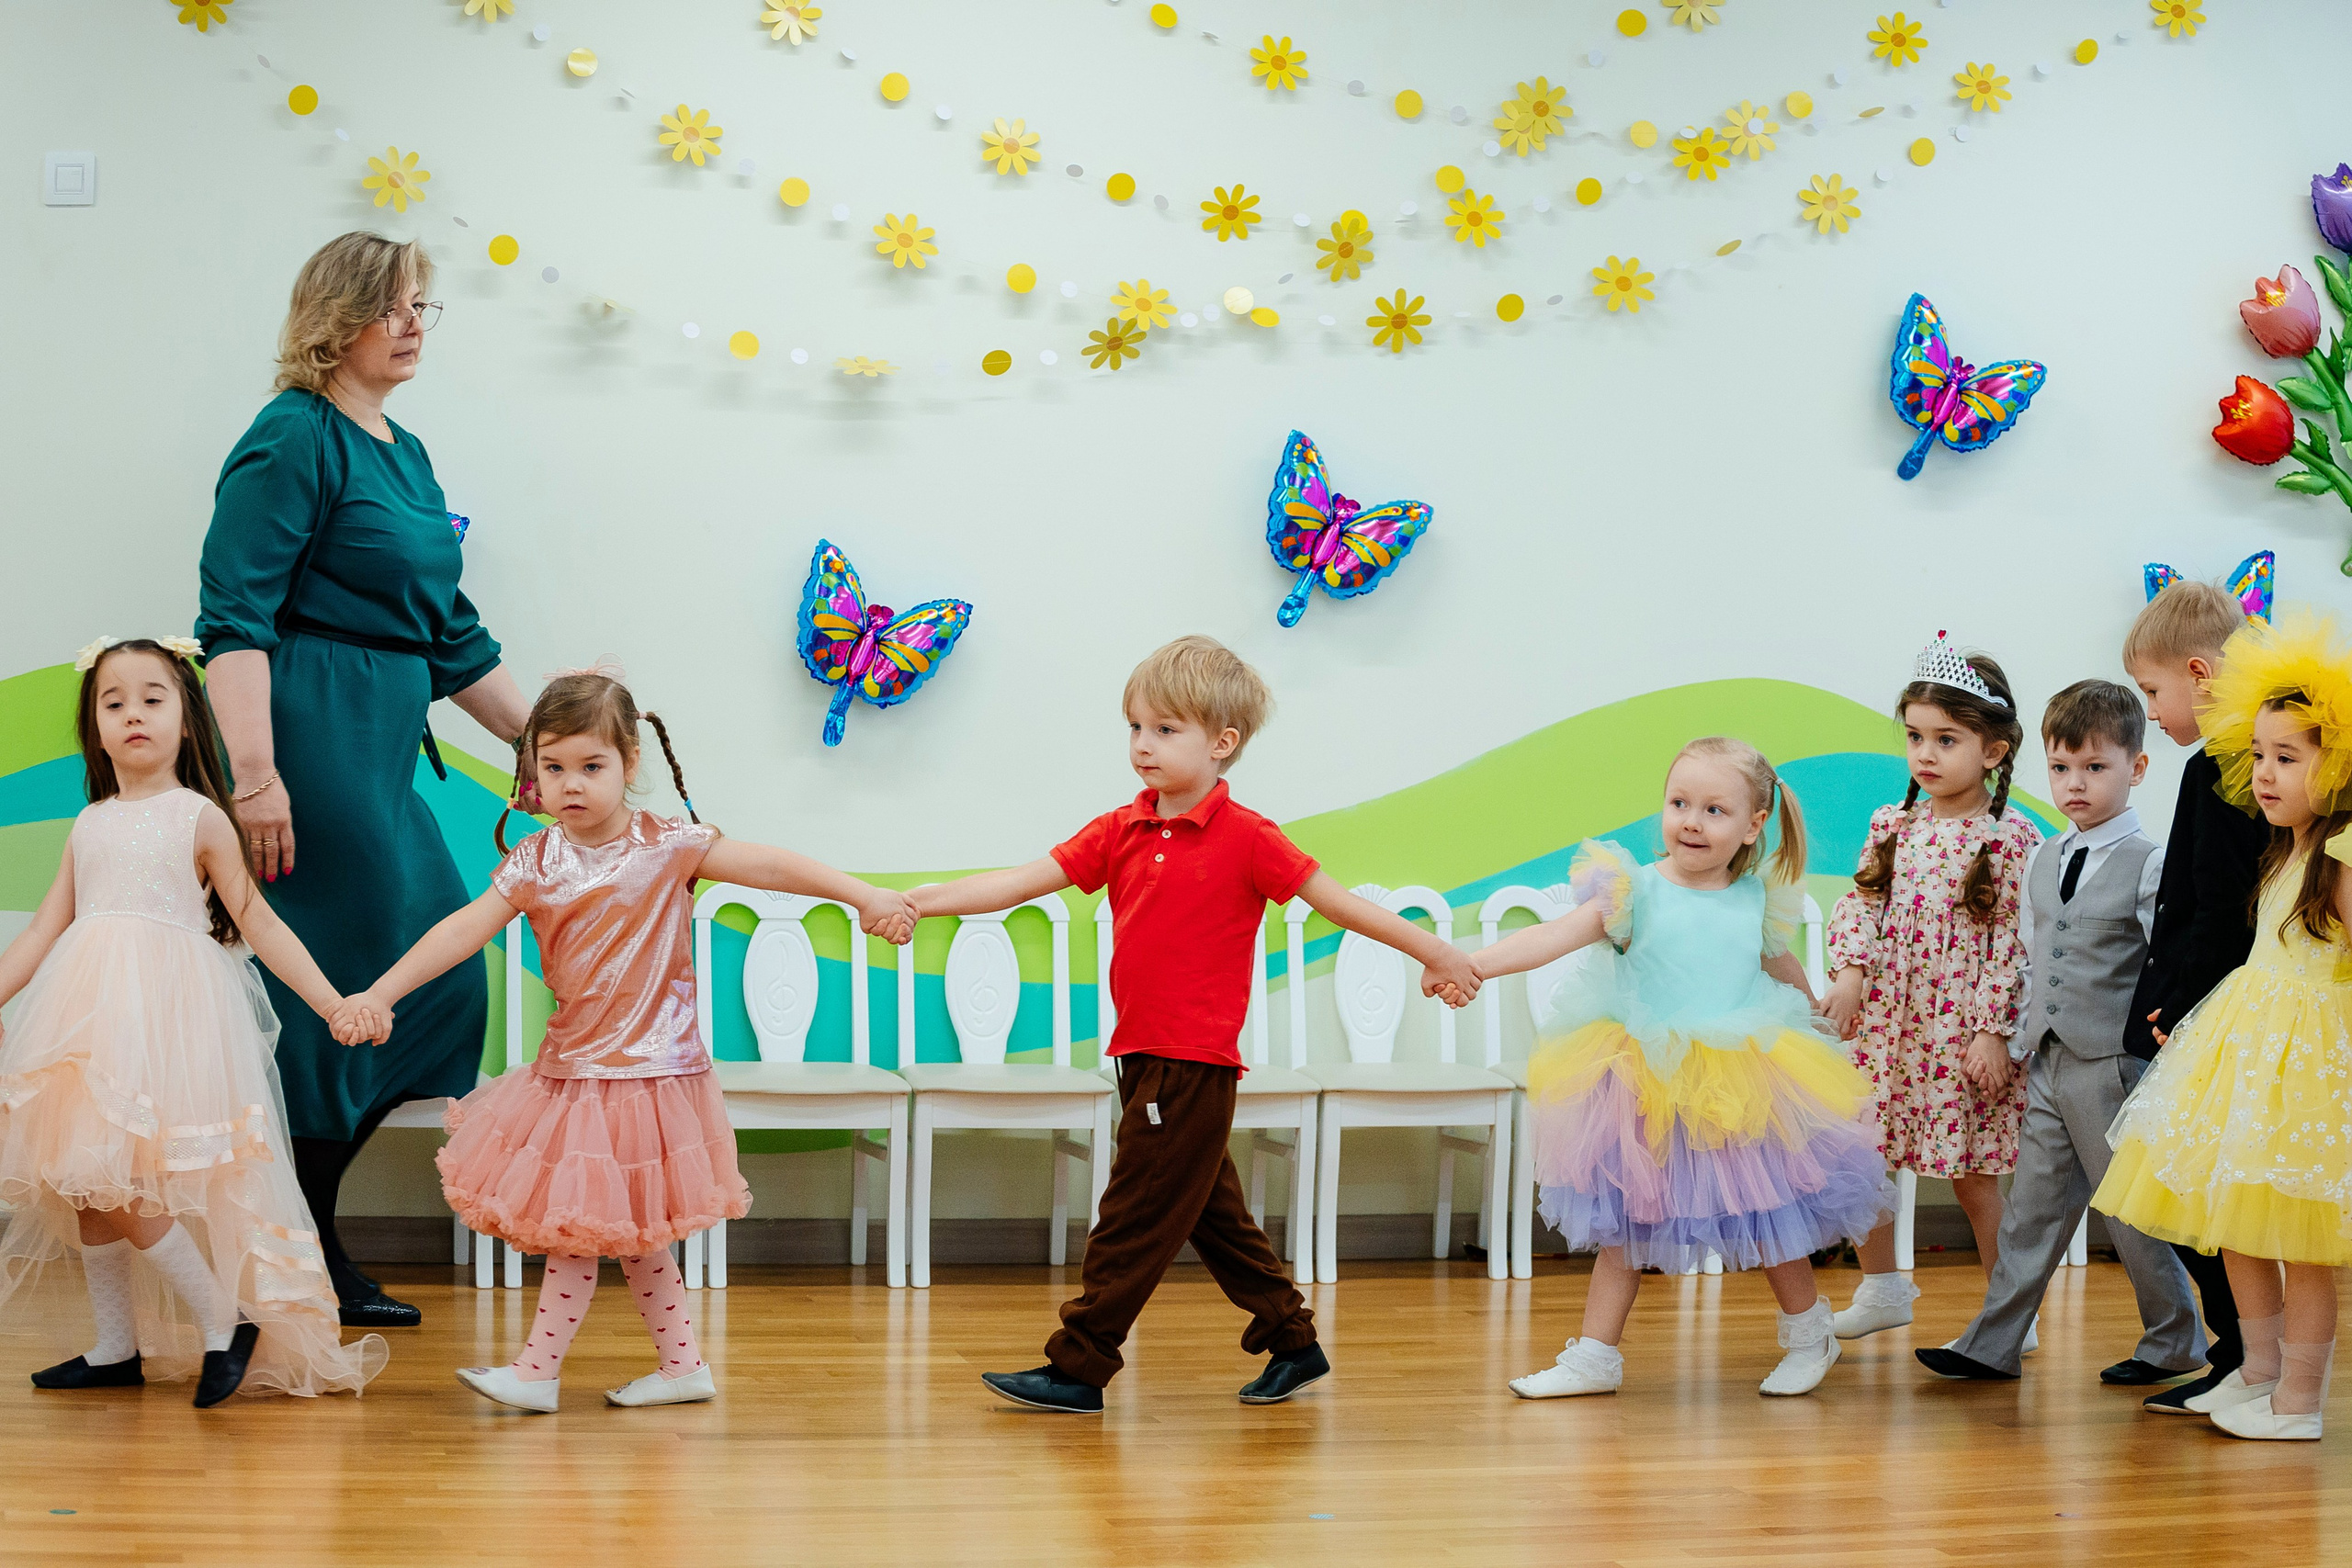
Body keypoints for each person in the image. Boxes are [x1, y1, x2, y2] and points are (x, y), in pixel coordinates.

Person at [918, 636, 1482, 1415]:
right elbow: (1021, 882)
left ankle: (1079, 1365)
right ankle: (1294, 1340)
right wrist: (921, 901)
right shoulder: (1121, 829)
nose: (1142, 745)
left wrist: (1436, 950)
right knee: (1212, 1217)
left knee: (1131, 1218)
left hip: (1191, 1063)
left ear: (1223, 743)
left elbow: (1340, 903)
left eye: (1165, 729)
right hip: (1141, 1057)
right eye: (1135, 727)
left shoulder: (1250, 838)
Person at [337, 669, 914, 1413]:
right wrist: (380, 992)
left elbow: (769, 864)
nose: (570, 784)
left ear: (630, 764)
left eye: (591, 766)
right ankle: (682, 1366)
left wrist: (863, 893)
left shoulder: (668, 844)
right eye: (552, 767)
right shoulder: (536, 861)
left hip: (649, 1074)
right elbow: (461, 930)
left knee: (585, 1223)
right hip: (576, 1069)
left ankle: (539, 1371)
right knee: (629, 1229)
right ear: (532, 770)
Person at [197, 231, 535, 1331]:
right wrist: (257, 779)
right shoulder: (291, 436)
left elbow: (454, 636)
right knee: (334, 994)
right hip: (312, 738)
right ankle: (302, 1251)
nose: (412, 325)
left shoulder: (406, 450)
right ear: (332, 317)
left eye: (423, 307)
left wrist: (544, 749)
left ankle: (301, 1236)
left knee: (432, 987)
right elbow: (234, 618)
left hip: (383, 738)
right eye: (392, 307)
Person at [0, 637, 388, 1406]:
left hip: (164, 1020)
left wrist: (333, 1000)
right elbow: (44, 930)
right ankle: (116, 1348)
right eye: (114, 702)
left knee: (127, 1182)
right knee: (85, 1181)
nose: (133, 714)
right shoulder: (91, 823)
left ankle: (223, 1314)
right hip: (87, 1015)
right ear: (95, 727)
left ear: (187, 718)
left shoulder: (200, 817)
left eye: (153, 698)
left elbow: (261, 926)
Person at [1470, 738, 1893, 1399]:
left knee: (1767, 1214)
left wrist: (1816, 1020)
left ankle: (1811, 1333)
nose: (1691, 821)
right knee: (1627, 1226)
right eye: (1679, 803)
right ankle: (1593, 1358)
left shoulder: (1754, 899)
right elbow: (1550, 936)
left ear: (1753, 824)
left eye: (1715, 809)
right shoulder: (1631, 890)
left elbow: (1779, 966)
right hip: (1648, 1083)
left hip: (1740, 1083)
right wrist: (1471, 965)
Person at [2094, 607, 2352, 1441]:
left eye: (2287, 758)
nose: (2264, 775)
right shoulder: (2284, 851)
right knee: (2235, 1222)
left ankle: (2300, 1400)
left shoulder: (2339, 860)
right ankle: (2260, 1369)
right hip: (2248, 1054)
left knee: (2302, 1242)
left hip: (2308, 1069)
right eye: (2260, 756)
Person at [1916, 681, 2206, 1385]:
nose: (2075, 783)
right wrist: (2016, 1041)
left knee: (2130, 1214)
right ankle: (1993, 1342)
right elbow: (2029, 953)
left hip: (2111, 1063)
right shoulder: (2045, 857)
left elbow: (2164, 962)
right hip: (2046, 1060)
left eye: (2095, 767)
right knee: (2030, 1212)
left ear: (2136, 768)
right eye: (2061, 767)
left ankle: (2177, 1338)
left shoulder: (2150, 864)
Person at [1823, 636, 2041, 1340]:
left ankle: (2011, 1311)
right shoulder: (1894, 824)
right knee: (1863, 1157)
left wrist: (1991, 1031)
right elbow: (1860, 903)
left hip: (1960, 1033)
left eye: (1946, 738)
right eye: (1916, 736)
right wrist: (1852, 972)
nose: (1925, 753)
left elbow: (2015, 943)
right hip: (1891, 1028)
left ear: (1994, 750)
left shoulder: (2011, 839)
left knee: (1975, 1178)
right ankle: (1884, 1287)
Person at [2117, 580, 2264, 1413]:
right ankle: (2239, 1349)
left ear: (2199, 672)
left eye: (2152, 691)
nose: (2154, 710)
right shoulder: (2225, 763)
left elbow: (2217, 906)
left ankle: (2244, 1349)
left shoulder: (2222, 766)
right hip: (2198, 1002)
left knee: (2186, 1188)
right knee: (2182, 1188)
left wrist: (2179, 1003)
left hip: (2200, 1009)